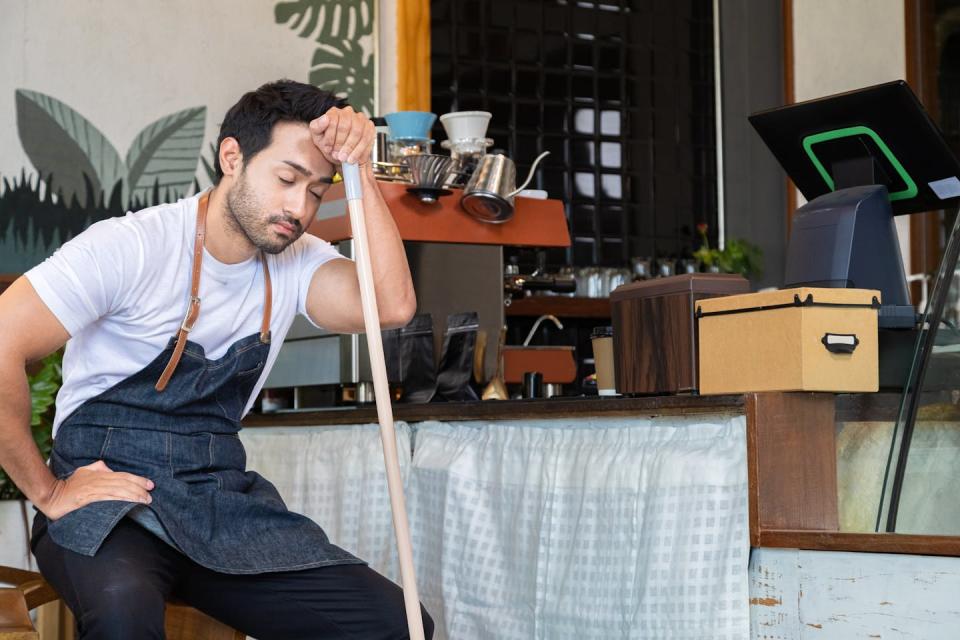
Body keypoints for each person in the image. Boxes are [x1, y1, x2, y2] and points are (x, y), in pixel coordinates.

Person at [0, 79, 434, 640]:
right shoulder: (132, 246)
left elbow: (391, 305)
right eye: (286, 179)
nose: (298, 207)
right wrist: (48, 491)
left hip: (218, 501)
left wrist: (359, 170)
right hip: (109, 496)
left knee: (398, 626)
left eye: (316, 189)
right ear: (232, 157)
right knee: (122, 614)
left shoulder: (298, 261)